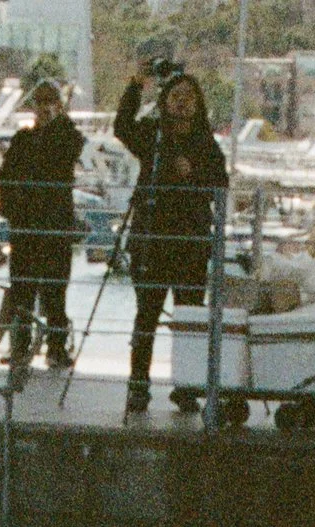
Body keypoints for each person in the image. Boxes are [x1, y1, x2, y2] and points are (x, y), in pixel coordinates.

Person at [114, 60, 229, 418]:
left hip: (190, 242)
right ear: (165, 101)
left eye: (189, 97)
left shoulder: (206, 144)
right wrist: (136, 85)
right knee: (146, 315)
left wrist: (193, 174)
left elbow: (220, 185)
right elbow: (121, 127)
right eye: (176, 96)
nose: (182, 102)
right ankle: (138, 385)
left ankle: (187, 387)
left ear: (198, 104)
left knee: (190, 318)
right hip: (152, 239)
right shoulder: (153, 135)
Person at [0, 78, 83, 378]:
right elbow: (6, 177)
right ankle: (20, 346)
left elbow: (68, 149)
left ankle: (57, 348)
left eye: (52, 102)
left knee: (55, 292)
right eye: (41, 101)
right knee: (22, 290)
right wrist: (12, 211)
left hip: (55, 226)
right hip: (26, 226)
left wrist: (59, 121)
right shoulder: (22, 140)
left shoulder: (67, 137)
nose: (45, 107)